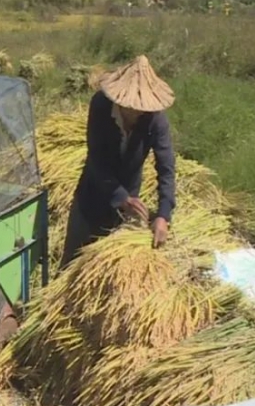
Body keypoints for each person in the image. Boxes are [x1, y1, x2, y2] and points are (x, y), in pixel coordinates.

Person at [59, 55, 177, 269]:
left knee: (109, 266)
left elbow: (166, 167)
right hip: (92, 193)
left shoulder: (155, 119)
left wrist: (163, 215)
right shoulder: (101, 106)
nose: (135, 111)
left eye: (141, 107)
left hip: (127, 202)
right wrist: (120, 197)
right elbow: (95, 158)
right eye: (129, 106)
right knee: (72, 263)